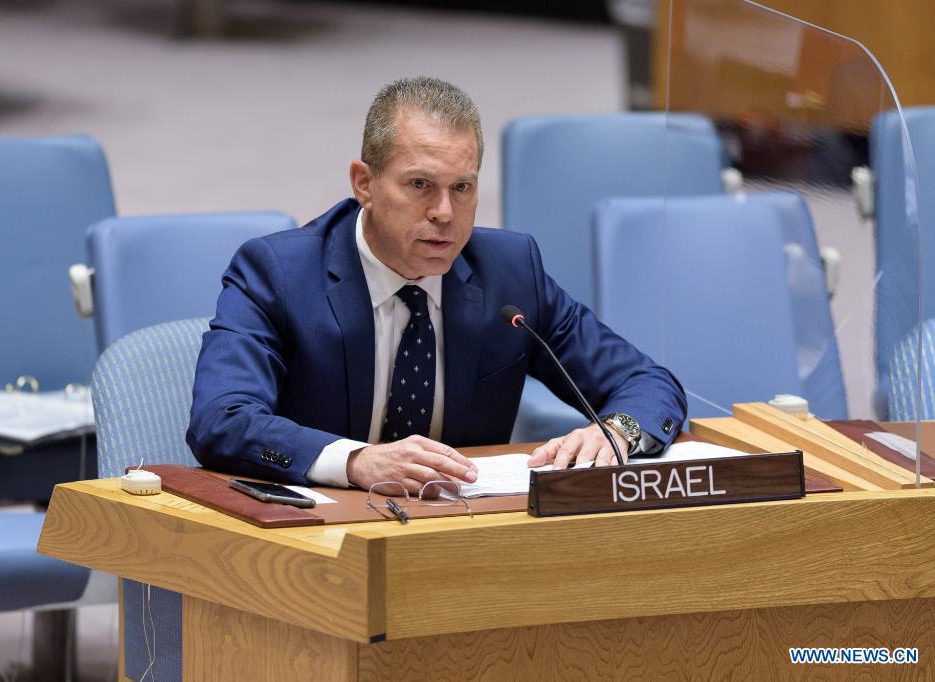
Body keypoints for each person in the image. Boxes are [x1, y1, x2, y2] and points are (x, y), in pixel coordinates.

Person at [187, 76, 686, 492]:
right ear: (364, 182)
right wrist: (356, 461)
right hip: (321, 537)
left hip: (463, 535)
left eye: (462, 188)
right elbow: (222, 419)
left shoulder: (509, 272)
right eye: (420, 185)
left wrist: (618, 432)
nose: (444, 214)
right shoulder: (279, 273)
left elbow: (647, 383)